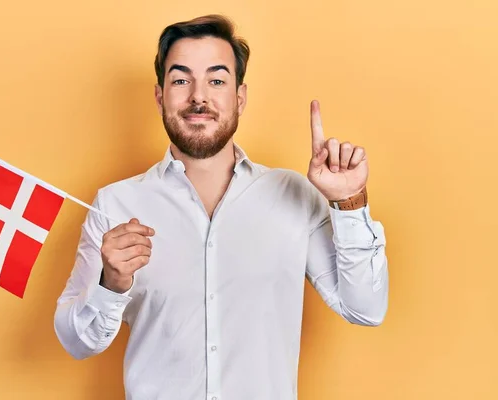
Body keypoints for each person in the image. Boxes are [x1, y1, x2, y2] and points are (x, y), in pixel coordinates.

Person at [54, 14, 388, 400]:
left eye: (216, 80)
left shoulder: (293, 195)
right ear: (160, 95)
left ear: (239, 97)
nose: (199, 96)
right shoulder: (116, 203)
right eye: (181, 80)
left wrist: (348, 202)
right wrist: (109, 285)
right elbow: (75, 342)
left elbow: (366, 308)